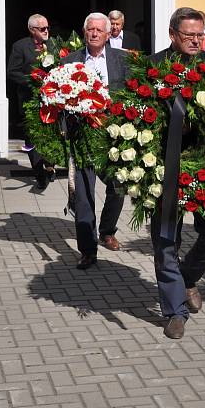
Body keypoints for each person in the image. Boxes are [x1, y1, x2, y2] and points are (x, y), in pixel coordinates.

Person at [149, 7, 205, 339]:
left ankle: (186, 277)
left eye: (200, 34)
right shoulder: (152, 67)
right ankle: (174, 311)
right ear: (172, 34)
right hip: (163, 167)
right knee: (167, 240)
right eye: (189, 35)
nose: (196, 40)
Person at [62, 13, 128, 268]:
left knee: (118, 187)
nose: (94, 34)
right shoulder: (70, 61)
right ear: (84, 31)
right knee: (83, 196)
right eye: (90, 29)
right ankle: (88, 250)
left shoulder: (121, 60)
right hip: (82, 139)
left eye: (99, 30)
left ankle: (107, 230)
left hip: (114, 138)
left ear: (109, 33)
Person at [7, 14, 55, 188]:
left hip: (52, 99)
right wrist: (33, 80)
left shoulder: (53, 45)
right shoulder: (20, 46)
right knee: (32, 137)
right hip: (29, 99)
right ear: (32, 30)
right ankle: (39, 173)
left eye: (48, 28)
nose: (46, 31)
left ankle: (50, 166)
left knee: (52, 134)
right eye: (42, 29)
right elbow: (12, 71)